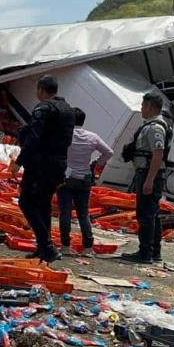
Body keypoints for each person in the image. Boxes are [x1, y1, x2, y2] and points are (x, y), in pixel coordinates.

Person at [14, 75, 76, 263]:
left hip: (41, 164)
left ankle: (47, 247)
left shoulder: (43, 108)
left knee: (26, 202)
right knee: (43, 205)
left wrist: (19, 161)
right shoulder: (68, 110)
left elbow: (34, 137)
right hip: (58, 164)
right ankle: (43, 247)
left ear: (41, 90)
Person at [120, 92, 170, 264]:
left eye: (143, 106)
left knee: (146, 215)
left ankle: (145, 253)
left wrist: (149, 179)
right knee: (152, 214)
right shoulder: (149, 125)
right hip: (145, 173)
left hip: (149, 174)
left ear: (150, 106)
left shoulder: (156, 128)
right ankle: (153, 252)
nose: (141, 109)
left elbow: (158, 154)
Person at [58, 108, 113, 257]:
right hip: (84, 178)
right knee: (83, 214)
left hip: (66, 178)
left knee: (65, 212)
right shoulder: (93, 137)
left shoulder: (64, 135)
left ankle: (65, 246)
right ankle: (88, 247)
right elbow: (109, 152)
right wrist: (96, 164)